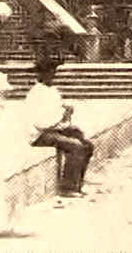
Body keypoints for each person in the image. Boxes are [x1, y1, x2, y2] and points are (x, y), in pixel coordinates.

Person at [25, 58, 94, 197]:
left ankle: (77, 183)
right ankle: (67, 188)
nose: (51, 75)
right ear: (40, 74)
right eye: (48, 72)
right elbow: (40, 123)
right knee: (75, 146)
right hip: (40, 134)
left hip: (53, 129)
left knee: (87, 144)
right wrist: (62, 116)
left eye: (53, 72)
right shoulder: (35, 94)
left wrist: (66, 117)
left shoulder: (53, 91)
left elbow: (58, 113)